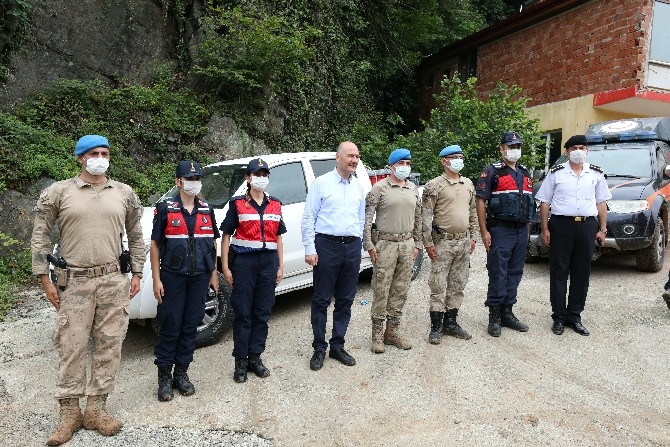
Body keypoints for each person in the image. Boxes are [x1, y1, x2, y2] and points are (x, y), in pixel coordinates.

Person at [31, 135, 144, 445]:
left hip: (112, 280)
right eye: (93, 153)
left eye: (105, 152)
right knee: (72, 346)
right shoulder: (59, 192)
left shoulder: (123, 193)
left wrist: (137, 272)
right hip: (75, 282)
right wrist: (43, 277)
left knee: (110, 344)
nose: (100, 157)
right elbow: (40, 236)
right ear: (80, 158)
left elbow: (136, 236)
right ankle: (70, 413)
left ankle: (96, 409)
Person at [150, 161, 219, 401]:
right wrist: (156, 279)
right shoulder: (165, 209)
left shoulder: (206, 209)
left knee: (190, 327)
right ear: (178, 181)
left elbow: (212, 244)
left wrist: (213, 274)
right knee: (170, 326)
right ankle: (164, 378)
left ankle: (182, 374)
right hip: (172, 277)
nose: (194, 182)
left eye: (197, 178)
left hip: (199, 278)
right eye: (189, 178)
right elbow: (155, 245)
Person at [535, 135, 611, 336]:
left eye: (582, 147)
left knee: (582, 271)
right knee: (559, 270)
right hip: (561, 225)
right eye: (574, 147)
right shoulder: (556, 173)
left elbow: (601, 203)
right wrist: (545, 230)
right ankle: (558, 317)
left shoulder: (595, 173)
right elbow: (544, 202)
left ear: (587, 151)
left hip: (587, 226)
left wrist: (603, 229)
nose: (579, 150)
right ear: (567, 151)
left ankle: (574, 316)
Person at [301, 141, 366, 370]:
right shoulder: (322, 183)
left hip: (351, 247)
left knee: (346, 299)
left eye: (357, 156)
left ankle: (337, 345)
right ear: (338, 157)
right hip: (327, 245)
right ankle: (319, 348)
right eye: (350, 156)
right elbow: (309, 217)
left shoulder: (358, 186)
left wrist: (358, 245)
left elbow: (360, 218)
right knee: (321, 299)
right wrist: (310, 248)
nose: (354, 160)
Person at [220, 158, 285, 383]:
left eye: (265, 174)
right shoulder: (237, 204)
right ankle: (240, 362)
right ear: (248, 178)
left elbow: (278, 237)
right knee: (243, 314)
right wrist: (226, 267)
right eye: (257, 174)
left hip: (268, 264)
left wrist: (280, 266)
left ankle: (255, 358)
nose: (261, 178)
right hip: (244, 265)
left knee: (262, 313)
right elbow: (226, 235)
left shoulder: (275, 204)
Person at [475, 131, 534, 337]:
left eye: (517, 146)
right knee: (498, 272)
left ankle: (508, 312)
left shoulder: (525, 173)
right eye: (510, 147)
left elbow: (527, 205)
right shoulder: (492, 172)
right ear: (502, 149)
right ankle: (494, 316)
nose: (514, 150)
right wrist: (484, 232)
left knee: (515, 272)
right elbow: (480, 200)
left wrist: (526, 233)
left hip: (520, 231)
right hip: (500, 230)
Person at [363, 148, 422, 353]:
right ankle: (377, 336)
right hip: (385, 244)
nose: (405, 167)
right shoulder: (378, 189)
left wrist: (418, 244)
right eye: (401, 163)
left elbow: (419, 219)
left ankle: (392, 332)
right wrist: (369, 244)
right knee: (382, 288)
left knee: (400, 288)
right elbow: (367, 219)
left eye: (408, 163)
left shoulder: (413, 189)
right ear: (391, 166)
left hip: (407, 244)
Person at [422, 145, 477, 345]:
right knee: (438, 285)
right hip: (442, 242)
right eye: (453, 157)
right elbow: (425, 217)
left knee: (458, 284)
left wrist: (473, 237)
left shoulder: (468, 183)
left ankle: (451, 322)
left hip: (463, 242)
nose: (458, 161)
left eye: (460, 157)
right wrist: (427, 243)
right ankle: (436, 326)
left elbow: (472, 213)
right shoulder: (434, 186)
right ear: (443, 161)